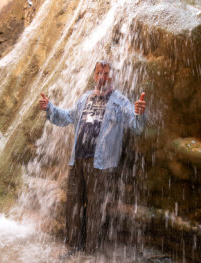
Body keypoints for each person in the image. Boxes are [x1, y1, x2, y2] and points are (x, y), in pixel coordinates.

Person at [39, 60, 146, 253]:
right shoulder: (85, 98)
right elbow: (67, 117)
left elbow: (135, 125)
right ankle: (71, 248)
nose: (102, 77)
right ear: (94, 75)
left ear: (112, 77)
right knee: (73, 205)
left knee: (95, 210)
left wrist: (139, 113)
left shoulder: (120, 101)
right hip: (77, 160)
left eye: (106, 74)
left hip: (100, 165)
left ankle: (90, 252)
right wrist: (50, 109)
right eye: (99, 73)